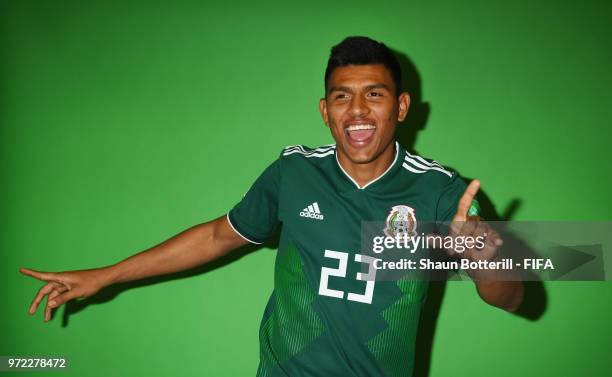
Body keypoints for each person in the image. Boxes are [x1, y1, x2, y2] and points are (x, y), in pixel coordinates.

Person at [21, 36, 523, 377]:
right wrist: (106, 275)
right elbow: (220, 236)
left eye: (374, 94)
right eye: (342, 97)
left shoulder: (440, 193)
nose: (358, 111)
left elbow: (513, 298)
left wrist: (481, 254)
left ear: (401, 107)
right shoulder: (295, 173)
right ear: (326, 111)